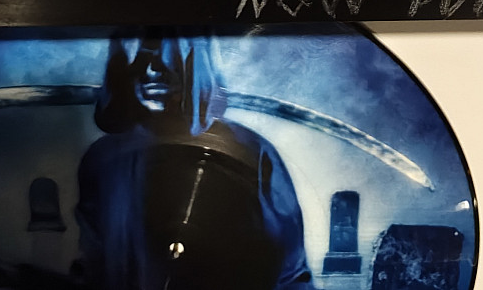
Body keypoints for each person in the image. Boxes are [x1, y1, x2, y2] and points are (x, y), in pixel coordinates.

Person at [75, 32, 312, 290]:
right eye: (143, 55)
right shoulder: (102, 159)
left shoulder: (254, 153)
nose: (153, 70)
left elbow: (292, 273)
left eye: (172, 55)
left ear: (195, 62)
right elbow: (93, 264)